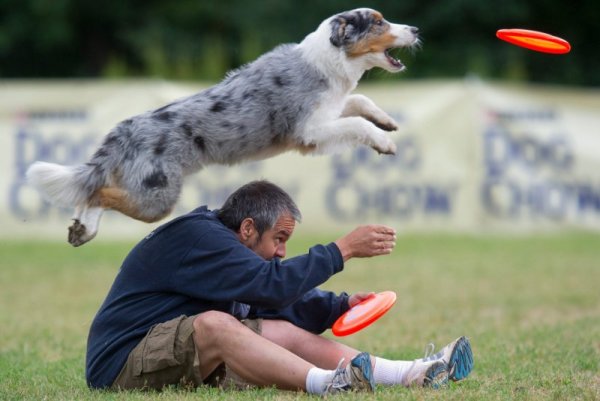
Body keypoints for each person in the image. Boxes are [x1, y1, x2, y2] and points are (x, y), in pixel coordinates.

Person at [86, 180, 473, 395]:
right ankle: (329, 385)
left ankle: (414, 372)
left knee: (280, 331)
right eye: (280, 239)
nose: (283, 252)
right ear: (248, 228)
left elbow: (272, 301)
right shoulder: (198, 238)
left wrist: (338, 307)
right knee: (215, 325)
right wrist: (342, 250)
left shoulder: (227, 249)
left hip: (172, 353)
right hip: (119, 366)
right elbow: (270, 286)